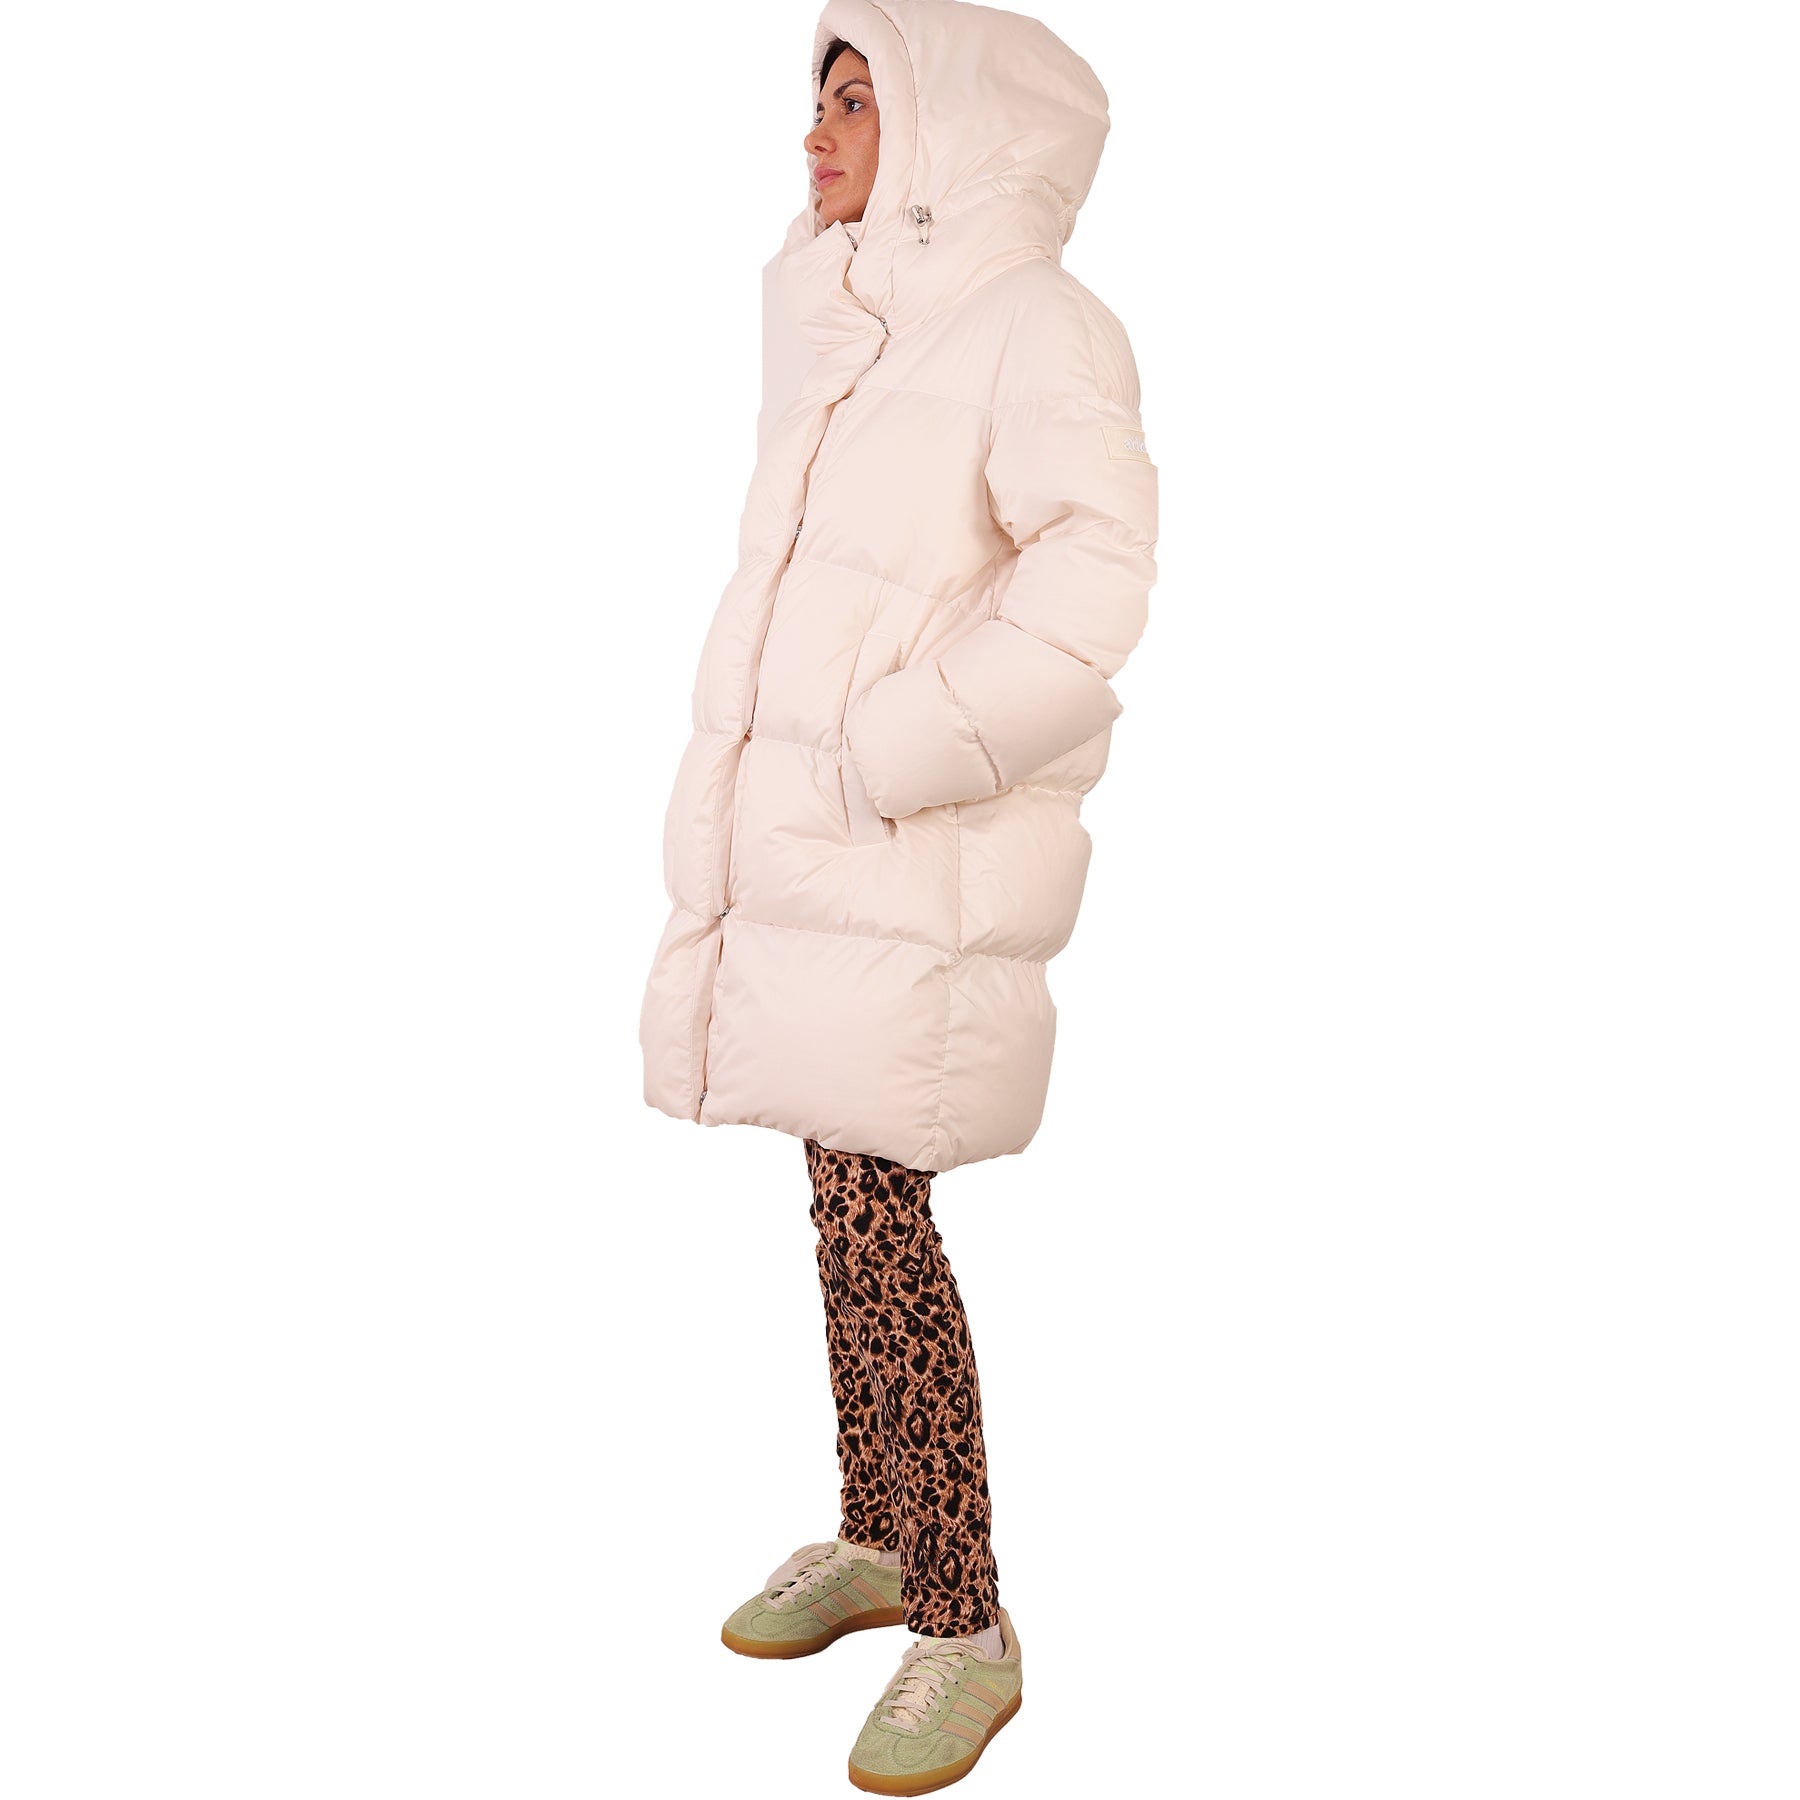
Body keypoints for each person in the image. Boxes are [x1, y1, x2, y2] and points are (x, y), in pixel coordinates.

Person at [639, 2, 1156, 1789]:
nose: (817, 133)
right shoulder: (856, 321)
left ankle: (966, 1619)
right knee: (837, 1196)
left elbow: (1093, 584)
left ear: (946, 129)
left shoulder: (1031, 322)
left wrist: (893, 747)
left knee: (879, 1221)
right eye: (817, 99)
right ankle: (882, 1530)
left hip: (910, 846)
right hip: (822, 853)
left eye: (858, 99)